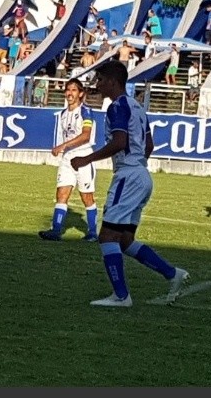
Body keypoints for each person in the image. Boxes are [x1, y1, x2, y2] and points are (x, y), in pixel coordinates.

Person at [70, 62, 189, 307]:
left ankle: (121, 296)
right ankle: (172, 274)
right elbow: (149, 146)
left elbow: (120, 141)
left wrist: (87, 158)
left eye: (100, 79)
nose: (97, 84)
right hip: (142, 175)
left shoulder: (117, 106)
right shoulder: (138, 107)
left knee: (106, 237)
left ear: (113, 81)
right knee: (124, 240)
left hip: (128, 175)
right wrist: (137, 164)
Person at [38, 78, 99, 243]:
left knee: (86, 196)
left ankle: (93, 232)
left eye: (73, 90)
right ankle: (56, 230)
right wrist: (64, 149)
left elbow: (86, 136)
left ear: (80, 94)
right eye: (67, 90)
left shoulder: (86, 111)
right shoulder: (64, 114)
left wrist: (62, 145)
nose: (69, 93)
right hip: (68, 158)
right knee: (61, 194)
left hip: (83, 156)